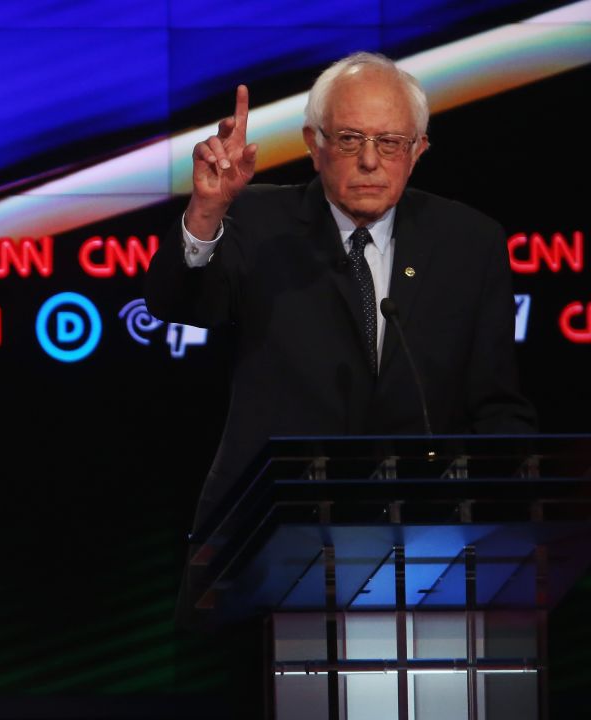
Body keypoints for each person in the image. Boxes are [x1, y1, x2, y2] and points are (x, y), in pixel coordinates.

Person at [146, 52, 536, 531]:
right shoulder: (257, 223)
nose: (370, 160)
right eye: (350, 139)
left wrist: (510, 514)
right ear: (314, 144)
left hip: (424, 536)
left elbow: (496, 405)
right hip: (270, 527)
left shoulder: (469, 243)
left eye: (390, 142)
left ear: (418, 150)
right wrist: (206, 212)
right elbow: (177, 303)